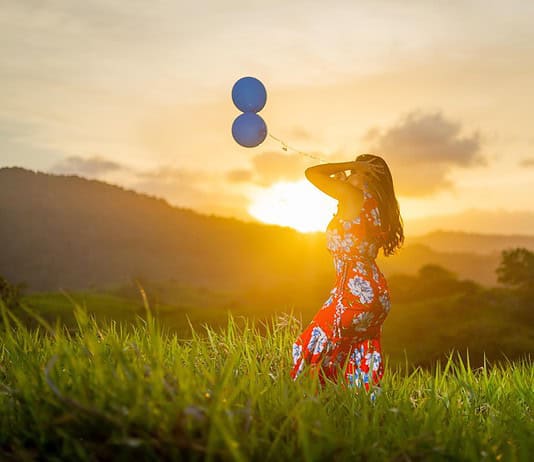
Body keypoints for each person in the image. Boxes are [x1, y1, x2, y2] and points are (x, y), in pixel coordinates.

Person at [290, 153, 404, 397]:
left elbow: (312, 173)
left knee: (308, 348)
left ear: (368, 176)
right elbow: (351, 224)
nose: (351, 175)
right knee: (351, 355)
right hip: (377, 296)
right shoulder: (378, 205)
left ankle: (310, 404)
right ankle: (355, 408)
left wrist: (352, 166)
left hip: (353, 294)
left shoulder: (354, 196)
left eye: (357, 172)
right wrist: (346, 182)